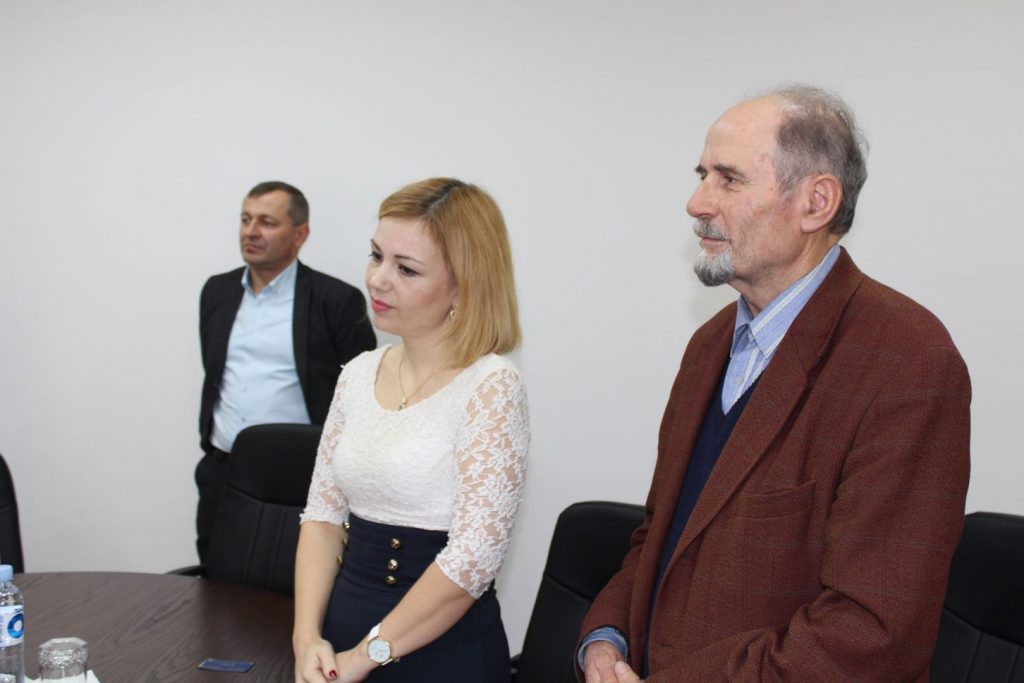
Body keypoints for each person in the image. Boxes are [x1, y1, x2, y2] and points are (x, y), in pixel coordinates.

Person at [578, 86, 971, 682]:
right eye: (702, 176)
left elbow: (872, 633)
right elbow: (658, 537)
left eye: (728, 180)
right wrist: (605, 639)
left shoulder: (909, 363)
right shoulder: (708, 346)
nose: (696, 202)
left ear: (816, 202)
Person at [293, 178, 529, 682]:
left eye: (406, 269)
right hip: (340, 637)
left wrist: (365, 657)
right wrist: (306, 637)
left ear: (464, 285)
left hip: (439, 653)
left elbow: (472, 559)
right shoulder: (358, 373)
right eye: (376, 256)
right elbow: (323, 516)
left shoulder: (491, 385)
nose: (378, 280)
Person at [197, 181, 376, 562]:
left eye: (267, 222)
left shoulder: (336, 301)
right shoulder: (217, 291)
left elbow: (363, 397)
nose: (251, 231)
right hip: (222, 471)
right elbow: (215, 375)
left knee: (292, 584)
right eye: (245, 219)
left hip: (299, 478)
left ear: (300, 234)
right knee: (215, 578)